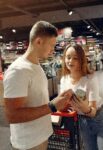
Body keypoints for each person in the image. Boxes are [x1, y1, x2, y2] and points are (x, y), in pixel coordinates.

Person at [3, 21, 73, 150]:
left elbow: (38, 102)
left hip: (40, 138)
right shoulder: (18, 71)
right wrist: (53, 106)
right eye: (51, 45)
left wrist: (58, 104)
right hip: (28, 144)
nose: (53, 49)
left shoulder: (36, 66)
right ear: (39, 41)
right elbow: (12, 115)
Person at [60, 44, 103, 150]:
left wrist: (82, 106)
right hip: (82, 123)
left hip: (99, 120)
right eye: (68, 57)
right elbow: (63, 105)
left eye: (75, 58)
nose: (70, 61)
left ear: (81, 60)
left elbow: (93, 111)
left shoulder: (90, 78)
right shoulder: (64, 80)